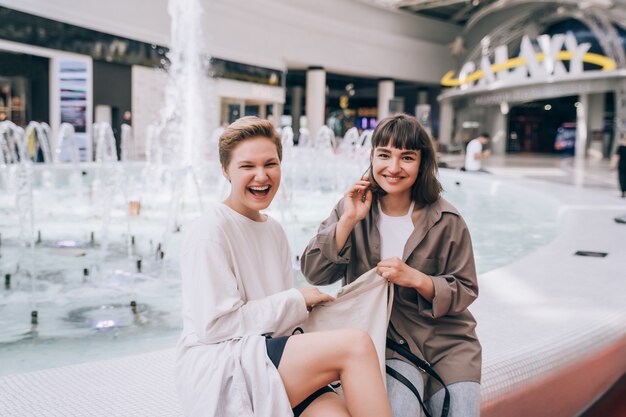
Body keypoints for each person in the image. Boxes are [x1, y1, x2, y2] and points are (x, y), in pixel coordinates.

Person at [175, 116, 393, 417]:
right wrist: (296, 299)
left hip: (269, 356)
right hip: (223, 364)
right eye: (247, 166)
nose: (261, 176)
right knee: (355, 345)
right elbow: (215, 327)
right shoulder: (210, 230)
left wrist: (308, 306)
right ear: (225, 170)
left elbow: (275, 317)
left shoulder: (274, 230)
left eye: (270, 164)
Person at [301, 114, 482, 417]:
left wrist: (417, 279)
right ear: (371, 156)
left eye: (407, 157)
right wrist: (347, 221)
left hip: (447, 344)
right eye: (384, 155)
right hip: (383, 341)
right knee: (400, 411)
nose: (394, 168)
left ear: (422, 162)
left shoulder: (447, 220)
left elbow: (466, 288)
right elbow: (315, 271)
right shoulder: (352, 206)